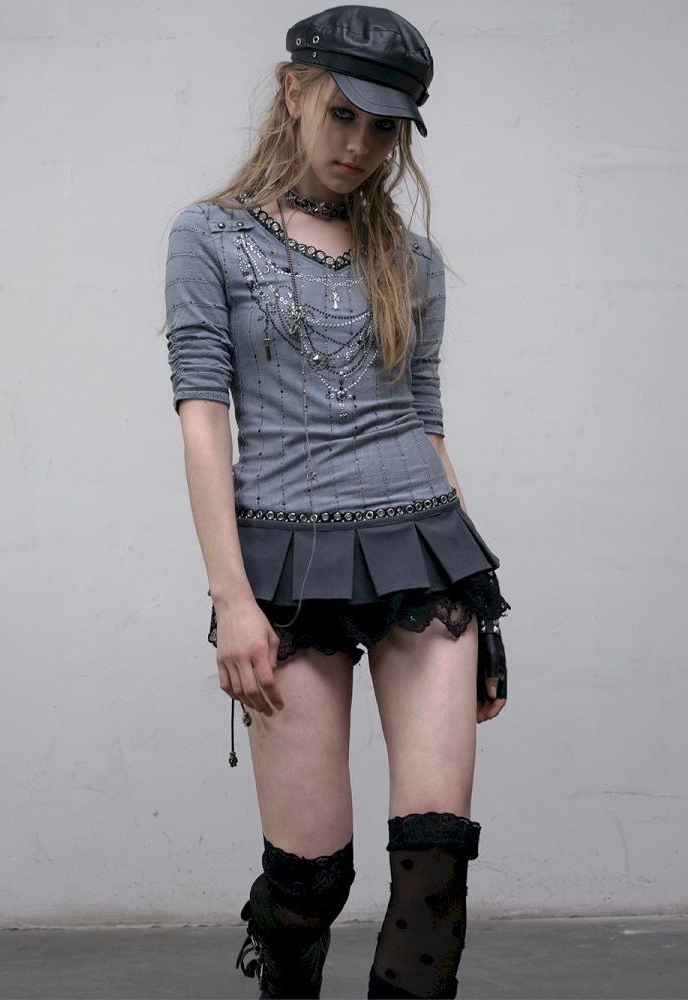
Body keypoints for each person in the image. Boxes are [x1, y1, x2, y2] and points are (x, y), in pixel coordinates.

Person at [164, 5, 511, 997]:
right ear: (294, 93)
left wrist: (480, 609)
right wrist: (232, 598)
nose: (360, 144)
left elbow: (426, 422)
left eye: (385, 127)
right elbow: (202, 420)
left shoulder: (414, 260)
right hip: (285, 564)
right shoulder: (209, 237)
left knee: (434, 868)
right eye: (344, 114)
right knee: (311, 881)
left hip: (425, 557)